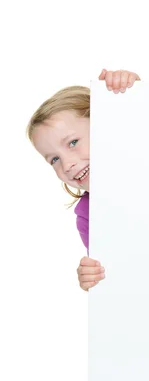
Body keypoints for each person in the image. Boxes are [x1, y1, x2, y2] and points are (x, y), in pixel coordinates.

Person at [27, 69, 139, 290]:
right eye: (54, 159)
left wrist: (127, 94)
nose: (67, 164)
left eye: (72, 142)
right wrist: (92, 277)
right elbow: (117, 279)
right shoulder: (87, 215)